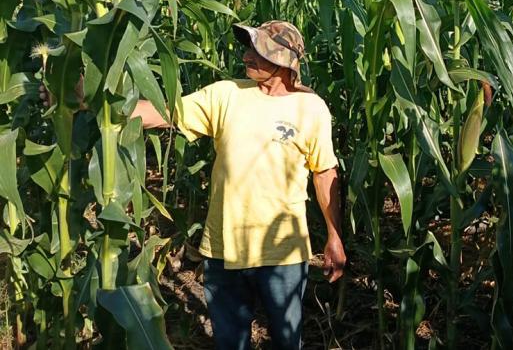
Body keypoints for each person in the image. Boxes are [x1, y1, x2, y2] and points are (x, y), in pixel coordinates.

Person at [120, 21, 345, 349]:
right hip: (223, 251)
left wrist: (334, 237)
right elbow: (163, 111)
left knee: (286, 341)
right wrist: (91, 101)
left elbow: (325, 172)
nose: (246, 56)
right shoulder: (226, 94)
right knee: (229, 344)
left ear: (284, 62)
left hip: (282, 254)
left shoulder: (311, 108)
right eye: (249, 48)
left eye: (258, 51)